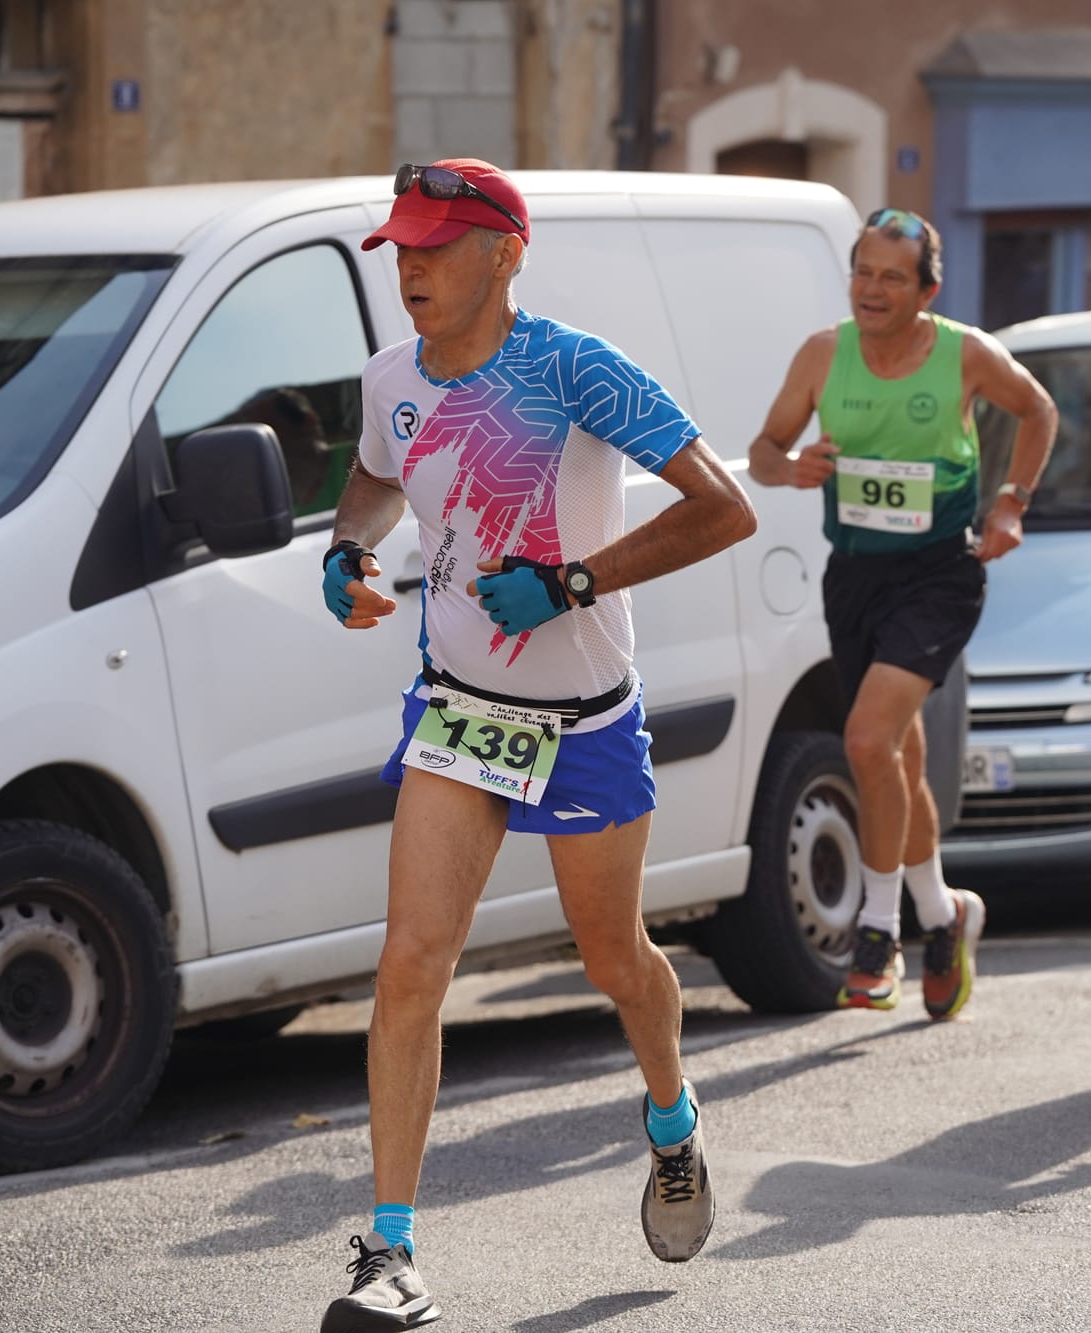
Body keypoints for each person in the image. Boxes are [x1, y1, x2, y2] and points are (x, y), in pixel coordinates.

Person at [317, 160, 756, 1331]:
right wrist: (345, 554)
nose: (407, 265)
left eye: (433, 245)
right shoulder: (388, 378)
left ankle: (669, 1116)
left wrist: (573, 580)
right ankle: (390, 1253)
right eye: (398, 246)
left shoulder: (572, 367)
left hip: (585, 722)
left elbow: (725, 508)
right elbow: (370, 480)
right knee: (411, 964)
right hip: (458, 709)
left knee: (615, 960)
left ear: (504, 253)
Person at [747, 207, 1056, 1018]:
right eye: (862, 273)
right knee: (898, 760)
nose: (872, 291)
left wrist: (1012, 504)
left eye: (891, 277)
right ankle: (945, 911)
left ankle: (877, 936)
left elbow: (1038, 411)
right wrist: (795, 466)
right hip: (855, 574)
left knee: (864, 741)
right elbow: (763, 451)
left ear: (928, 290)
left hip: (939, 573)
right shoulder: (823, 353)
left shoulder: (965, 353)